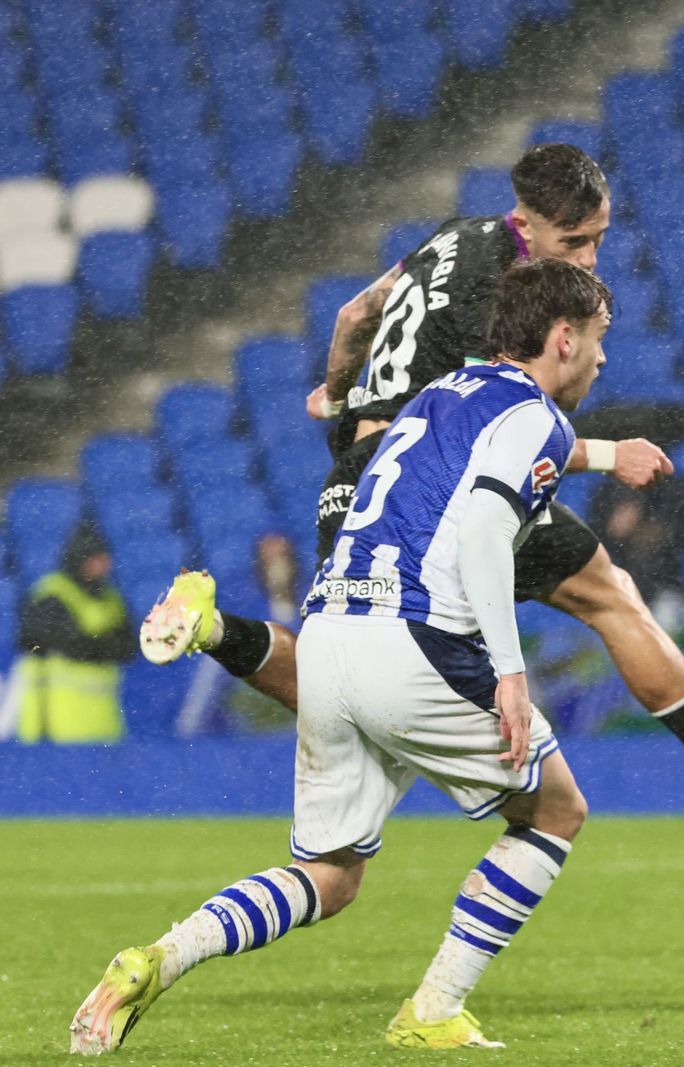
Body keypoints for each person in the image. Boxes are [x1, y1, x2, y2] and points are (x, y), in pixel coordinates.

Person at [138, 144, 684, 830]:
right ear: (526, 226)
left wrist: (339, 393)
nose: (588, 257)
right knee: (610, 595)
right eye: (574, 241)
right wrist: (610, 453)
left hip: (359, 476)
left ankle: (215, 627)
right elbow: (484, 429)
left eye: (599, 239)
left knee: (335, 674)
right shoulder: (496, 290)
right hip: (427, 481)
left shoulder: (451, 238)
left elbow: (355, 316)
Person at [69, 261, 621, 1054]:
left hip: (328, 634)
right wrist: (508, 668)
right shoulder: (538, 417)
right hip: (418, 640)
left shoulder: (440, 395)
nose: (602, 359)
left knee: (331, 875)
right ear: (563, 338)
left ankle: (158, 956)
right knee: (558, 810)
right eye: (599, 340)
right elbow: (484, 533)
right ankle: (433, 1007)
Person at [13, 522, 135, 743]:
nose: (105, 564)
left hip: (102, 720)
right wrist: (105, 646)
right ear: (81, 558)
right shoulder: (52, 594)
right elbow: (61, 642)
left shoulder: (111, 596)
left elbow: (129, 646)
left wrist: (94, 646)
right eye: (97, 557)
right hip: (54, 718)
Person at [587, 475, 684, 635]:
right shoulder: (608, 493)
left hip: (675, 590)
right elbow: (591, 550)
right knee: (664, 621)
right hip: (629, 595)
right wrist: (612, 534)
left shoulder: (675, 490)